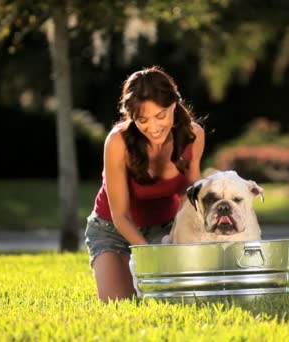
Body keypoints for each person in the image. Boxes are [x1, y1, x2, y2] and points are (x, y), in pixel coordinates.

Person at [84, 66, 205, 302]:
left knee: (178, 301)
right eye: (143, 119)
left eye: (161, 115)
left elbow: (191, 196)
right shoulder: (117, 142)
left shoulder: (194, 135)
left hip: (166, 230)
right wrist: (152, 254)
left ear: (174, 105)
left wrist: (181, 238)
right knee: (120, 304)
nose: (153, 127)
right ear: (131, 116)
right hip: (113, 230)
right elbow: (120, 216)